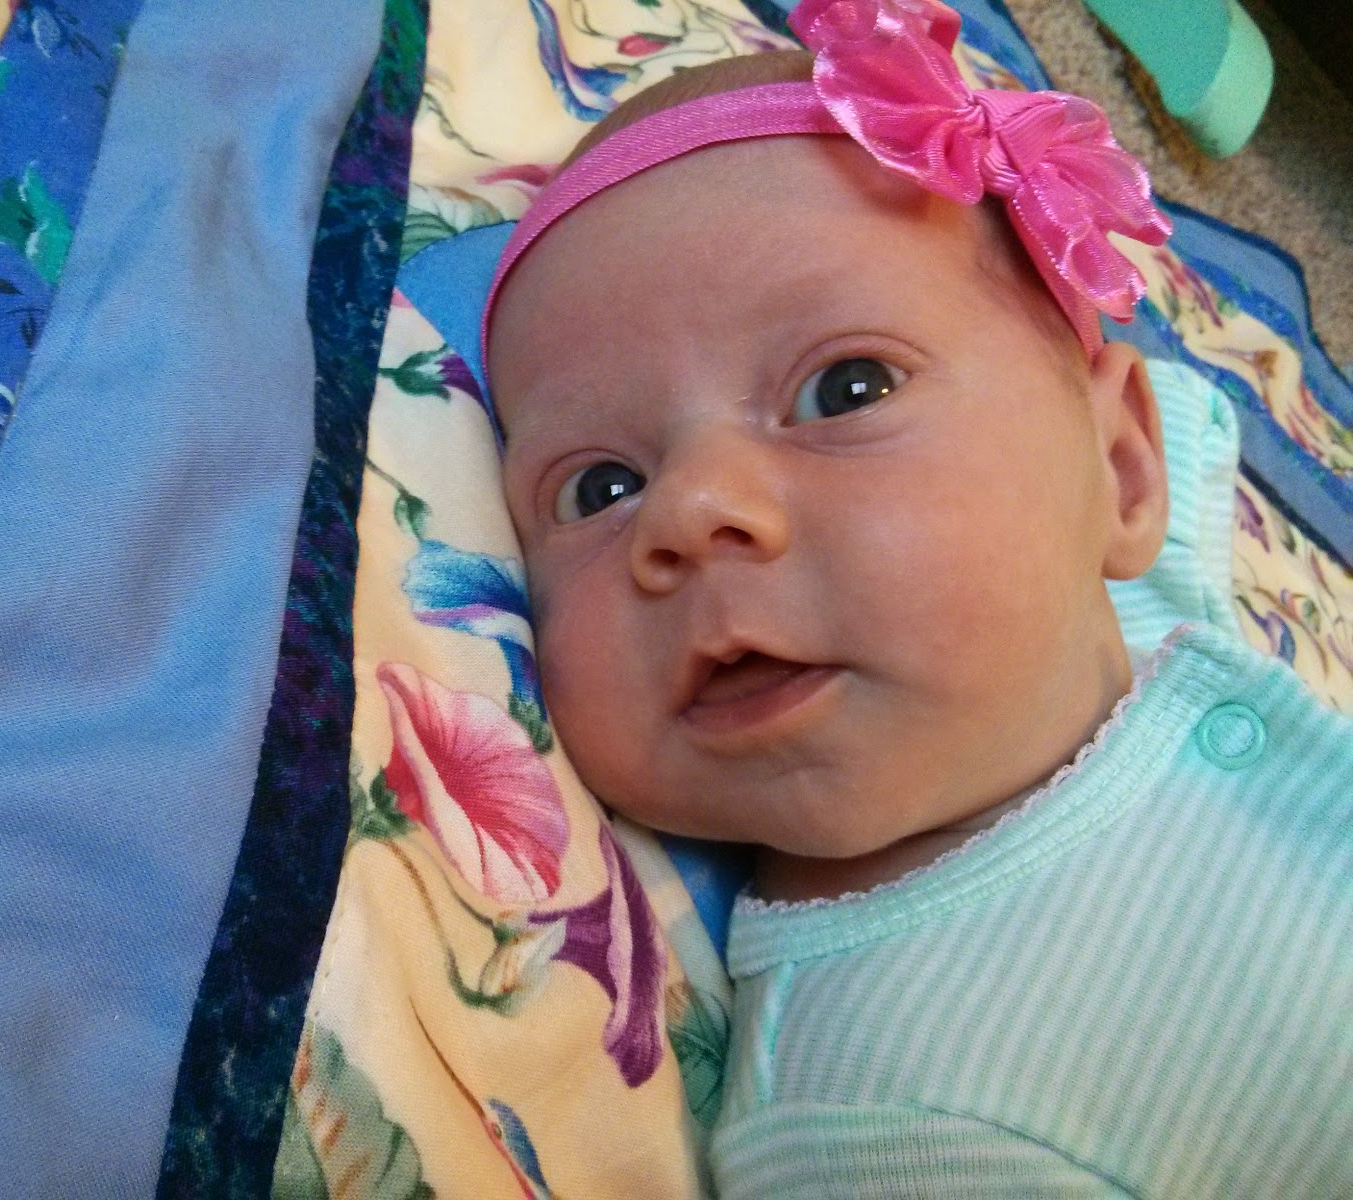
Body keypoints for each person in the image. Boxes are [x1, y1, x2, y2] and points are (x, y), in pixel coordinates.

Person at [480, 0, 1353, 1194]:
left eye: (844, 389)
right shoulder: (884, 1120)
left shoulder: (1127, 591)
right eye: (600, 487)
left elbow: (1177, 412)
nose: (689, 510)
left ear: (1115, 473)